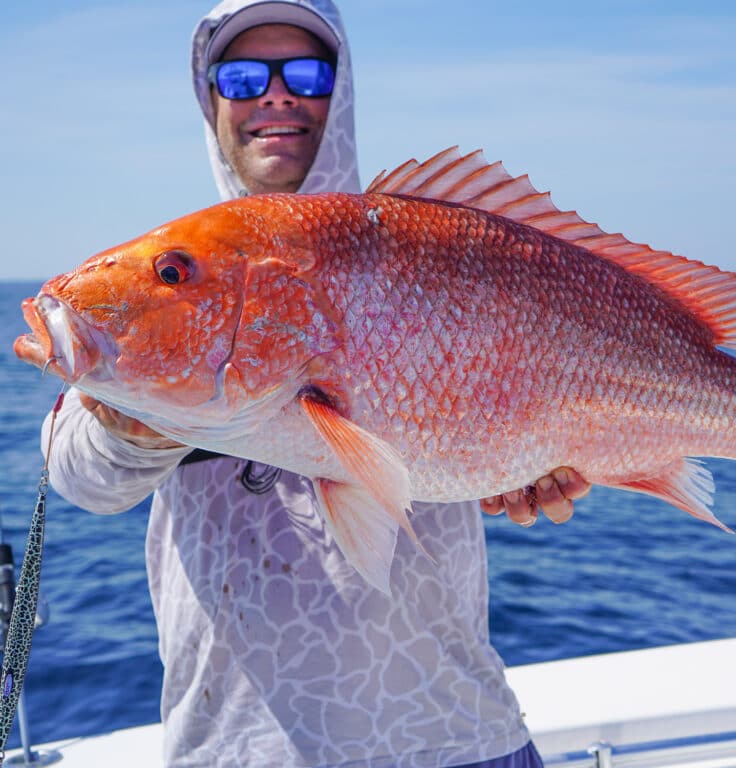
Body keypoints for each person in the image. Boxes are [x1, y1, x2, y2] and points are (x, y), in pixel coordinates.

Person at [28, 0, 589, 765]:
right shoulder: (185, 272)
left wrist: (531, 465)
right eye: (243, 74)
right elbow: (78, 474)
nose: (277, 94)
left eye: (307, 72)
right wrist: (136, 416)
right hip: (235, 747)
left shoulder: (429, 238)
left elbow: (502, 449)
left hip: (457, 738)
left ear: (343, 90)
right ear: (211, 98)